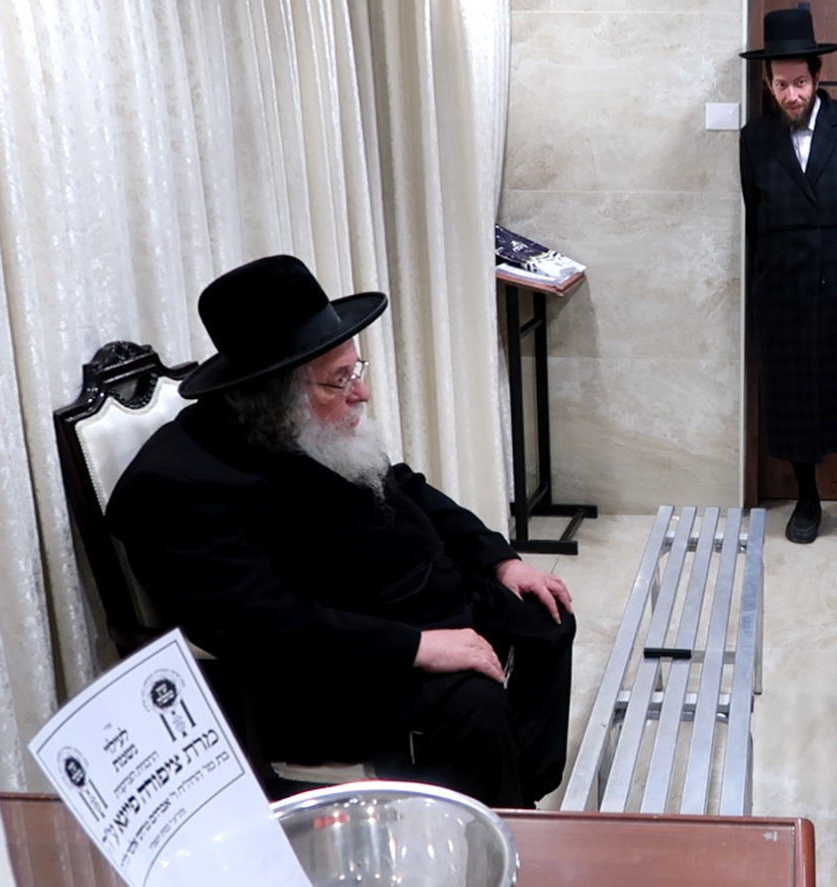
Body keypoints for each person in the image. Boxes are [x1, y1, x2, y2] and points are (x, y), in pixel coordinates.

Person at [108, 255, 576, 809]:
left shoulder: (297, 425)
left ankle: (518, 800)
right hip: (337, 673)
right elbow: (261, 624)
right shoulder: (174, 488)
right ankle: (483, 828)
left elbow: (405, 486)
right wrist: (417, 648)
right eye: (341, 380)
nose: (363, 394)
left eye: (357, 371)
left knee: (545, 617)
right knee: (475, 707)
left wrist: (500, 560)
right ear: (274, 392)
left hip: (419, 609)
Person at [739, 8, 837, 549]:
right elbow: (755, 215)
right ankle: (806, 499)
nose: (792, 95)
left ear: (818, 76)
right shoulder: (754, 138)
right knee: (792, 395)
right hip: (784, 288)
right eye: (781, 84)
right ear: (768, 83)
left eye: (801, 82)